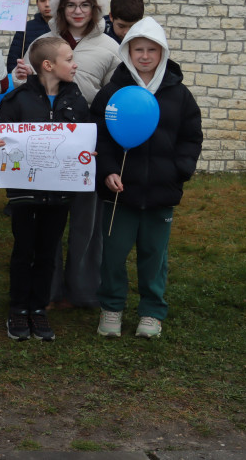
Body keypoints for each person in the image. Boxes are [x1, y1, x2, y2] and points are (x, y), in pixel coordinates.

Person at [91, 17, 202, 339]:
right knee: (113, 254)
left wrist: (180, 170)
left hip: (160, 193)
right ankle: (111, 308)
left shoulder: (179, 96)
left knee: (154, 257)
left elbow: (191, 137)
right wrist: (108, 171)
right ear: (128, 51)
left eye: (151, 50)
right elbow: (100, 138)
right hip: (119, 193)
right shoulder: (112, 93)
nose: (144, 56)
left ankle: (152, 312)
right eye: (138, 49)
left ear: (162, 53)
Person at [13, 0, 120, 310]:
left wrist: (102, 141)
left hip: (89, 145)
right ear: (61, 9)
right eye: (71, 5)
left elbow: (113, 101)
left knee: (86, 224)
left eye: (84, 5)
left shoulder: (110, 47)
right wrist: (20, 77)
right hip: (47, 147)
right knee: (49, 220)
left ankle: (84, 290)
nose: (77, 11)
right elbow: (30, 88)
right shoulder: (44, 42)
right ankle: (48, 290)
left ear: (95, 9)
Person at [0, 36, 90, 341]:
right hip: (24, 195)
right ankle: (19, 308)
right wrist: (1, 146)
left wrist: (87, 154)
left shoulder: (76, 99)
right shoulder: (16, 100)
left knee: (48, 252)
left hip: (59, 195)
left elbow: (83, 142)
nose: (75, 65)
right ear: (48, 65)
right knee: (24, 251)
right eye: (69, 59)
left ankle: (39, 308)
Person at [5, 0, 60, 73]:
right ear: (37, 3)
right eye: (42, 0)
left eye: (52, 0)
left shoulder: (67, 28)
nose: (47, 4)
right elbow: (13, 61)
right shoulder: (25, 28)